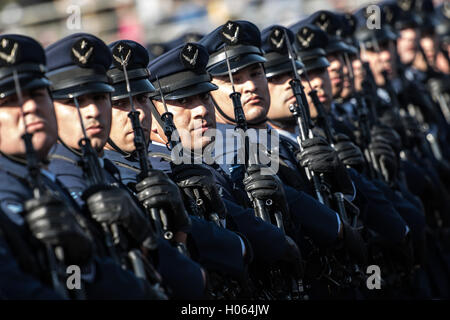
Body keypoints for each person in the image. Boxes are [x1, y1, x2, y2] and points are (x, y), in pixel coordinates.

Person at [0, 34, 164, 300]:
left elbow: (79, 282)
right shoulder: (26, 186)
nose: (30, 107)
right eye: (9, 102)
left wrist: (154, 238)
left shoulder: (46, 182)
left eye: (37, 93)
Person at [45, 33, 206, 299]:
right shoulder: (58, 179)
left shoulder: (100, 170)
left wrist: (178, 227)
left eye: (100, 97)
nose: (93, 111)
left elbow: (189, 276)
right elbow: (72, 283)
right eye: (76, 101)